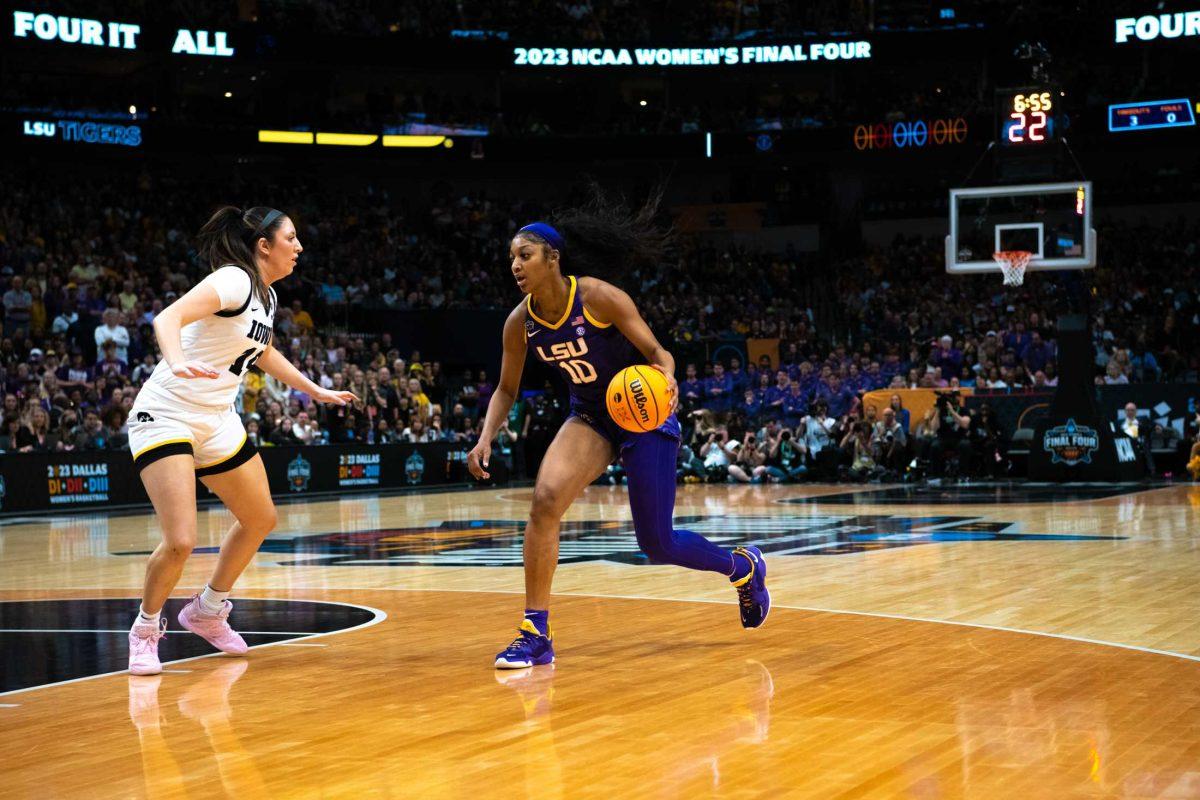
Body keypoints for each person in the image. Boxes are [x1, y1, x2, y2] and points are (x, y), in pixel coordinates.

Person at [468, 204, 769, 670]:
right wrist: (486, 435)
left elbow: (656, 351)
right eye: (511, 258)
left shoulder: (598, 297)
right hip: (590, 416)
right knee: (545, 502)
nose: (515, 265)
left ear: (553, 258)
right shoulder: (518, 323)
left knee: (657, 542)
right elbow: (506, 388)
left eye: (524, 255)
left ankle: (743, 568)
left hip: (643, 413)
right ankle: (535, 633)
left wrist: (667, 377)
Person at [125, 206, 355, 676]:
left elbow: (262, 351)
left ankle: (207, 610)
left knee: (260, 518)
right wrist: (176, 360)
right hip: (167, 413)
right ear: (264, 246)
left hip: (216, 418)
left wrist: (314, 389)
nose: (299, 246)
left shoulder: (266, 298)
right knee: (181, 540)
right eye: (291, 237)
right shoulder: (234, 279)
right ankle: (146, 629)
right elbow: (167, 318)